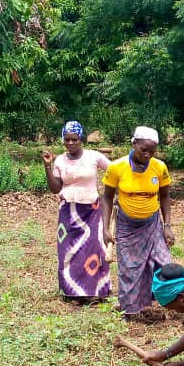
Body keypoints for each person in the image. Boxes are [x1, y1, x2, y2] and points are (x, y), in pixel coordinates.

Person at [100, 126, 175, 317]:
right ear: (134, 144)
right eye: (144, 150)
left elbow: (165, 197)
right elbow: (107, 198)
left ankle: (176, 302)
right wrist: (106, 228)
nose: (148, 155)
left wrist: (167, 226)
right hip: (127, 226)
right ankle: (129, 310)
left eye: (152, 151)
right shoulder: (117, 167)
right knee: (129, 268)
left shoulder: (159, 167)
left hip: (153, 225)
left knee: (165, 263)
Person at [41, 121, 112, 302]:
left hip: (92, 210)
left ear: (81, 139)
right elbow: (55, 188)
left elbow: (114, 172)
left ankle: (95, 292)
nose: (70, 143)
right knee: (68, 251)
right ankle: (71, 291)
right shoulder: (59, 160)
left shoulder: (93, 157)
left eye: (74, 139)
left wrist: (112, 195)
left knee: (94, 248)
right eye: (67, 139)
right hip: (68, 211)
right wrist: (47, 167)